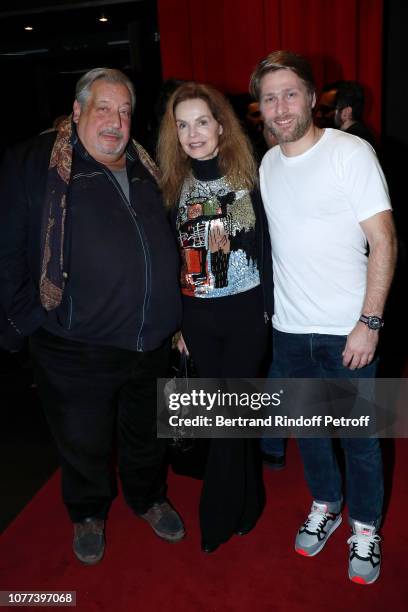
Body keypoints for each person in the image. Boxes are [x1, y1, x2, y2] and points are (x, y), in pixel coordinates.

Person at [0, 68, 185, 565]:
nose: (116, 120)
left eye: (124, 110)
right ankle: (87, 512)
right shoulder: (33, 163)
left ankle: (147, 497)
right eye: (103, 108)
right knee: (83, 440)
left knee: (147, 432)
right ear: (78, 111)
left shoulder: (147, 165)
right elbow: (10, 251)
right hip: (75, 345)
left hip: (150, 340)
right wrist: (30, 319)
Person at [250, 50, 397, 584]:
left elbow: (383, 239)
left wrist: (371, 321)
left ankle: (364, 528)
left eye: (291, 93)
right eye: (270, 97)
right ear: (260, 107)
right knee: (311, 435)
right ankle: (326, 506)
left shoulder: (350, 152)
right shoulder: (267, 165)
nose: (281, 106)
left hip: (349, 330)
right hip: (291, 335)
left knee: (360, 439)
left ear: (313, 98)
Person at [157, 81, 273, 553]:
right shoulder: (172, 186)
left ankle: (217, 515)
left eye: (201, 121)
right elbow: (171, 256)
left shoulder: (251, 177)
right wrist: (177, 325)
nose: (192, 133)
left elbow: (267, 246)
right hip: (198, 321)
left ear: (221, 126)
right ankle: (251, 500)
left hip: (246, 314)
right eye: (182, 125)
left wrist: (269, 310)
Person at [333, 80, 377, 150]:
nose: (332, 113)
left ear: (346, 112)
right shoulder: (366, 135)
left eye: (335, 108)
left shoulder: (347, 140)